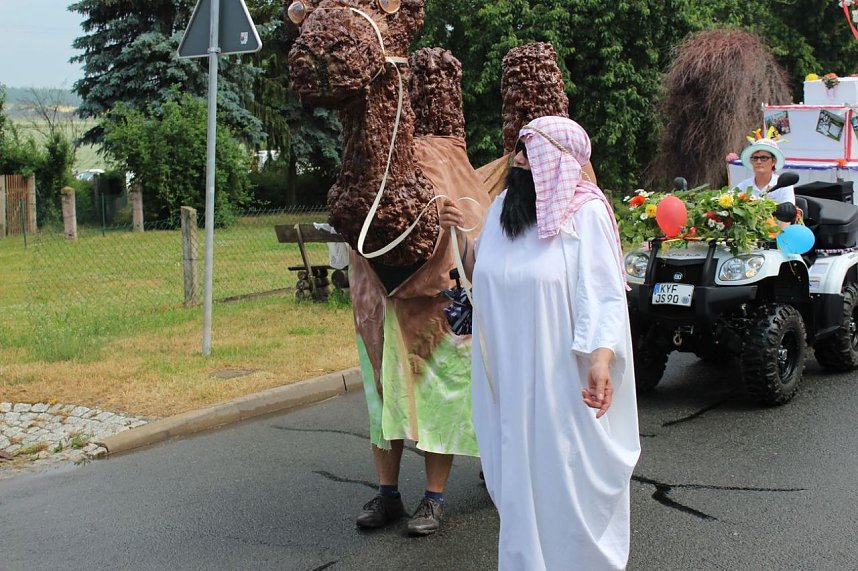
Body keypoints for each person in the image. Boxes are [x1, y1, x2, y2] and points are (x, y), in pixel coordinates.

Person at [439, 116, 641, 570]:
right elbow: (481, 278)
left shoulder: (584, 214)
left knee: (563, 480)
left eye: (530, 152)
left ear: (558, 161)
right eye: (519, 149)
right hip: (511, 384)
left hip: (563, 384)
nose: (517, 160)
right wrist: (460, 237)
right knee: (518, 483)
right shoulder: (503, 210)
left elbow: (603, 293)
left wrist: (601, 361)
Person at [732, 137, 796, 205]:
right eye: (755, 158)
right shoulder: (744, 185)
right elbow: (729, 199)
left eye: (763, 158)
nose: (758, 162)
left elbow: (790, 209)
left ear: (774, 161)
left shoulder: (784, 185)